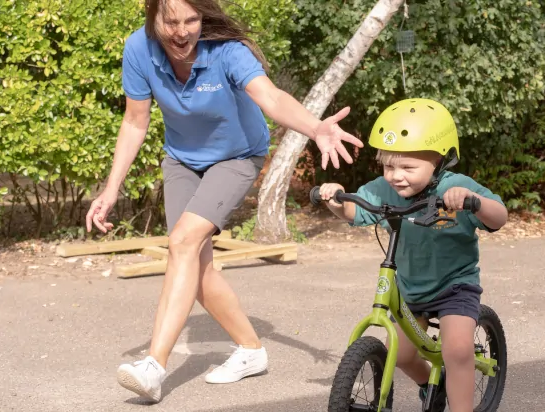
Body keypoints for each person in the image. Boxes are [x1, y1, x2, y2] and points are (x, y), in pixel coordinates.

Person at [84, 0, 363, 403]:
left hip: (236, 157)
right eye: (171, 21)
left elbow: (272, 98)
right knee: (195, 267)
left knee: (182, 242)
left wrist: (315, 127)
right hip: (182, 158)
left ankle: (153, 367)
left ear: (204, 17)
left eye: (192, 20)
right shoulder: (139, 49)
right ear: (153, 17)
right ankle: (251, 350)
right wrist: (111, 188)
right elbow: (134, 121)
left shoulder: (228, 52)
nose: (181, 32)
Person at [318, 98, 508, 412]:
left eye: (408, 167)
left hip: (454, 287)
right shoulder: (384, 189)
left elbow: (499, 217)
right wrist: (335, 200)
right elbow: (354, 211)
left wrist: (473, 201)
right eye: (389, 165)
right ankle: (431, 386)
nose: (395, 175)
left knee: (458, 350)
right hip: (409, 289)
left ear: (440, 160)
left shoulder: (456, 186)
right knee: (403, 356)